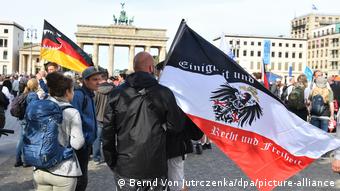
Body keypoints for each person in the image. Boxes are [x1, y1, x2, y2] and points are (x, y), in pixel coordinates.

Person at [102, 52, 184, 191]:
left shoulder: (116, 93)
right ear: (151, 68)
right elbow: (176, 126)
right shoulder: (164, 93)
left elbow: (108, 132)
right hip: (155, 164)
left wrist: (112, 161)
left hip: (126, 164)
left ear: (134, 67)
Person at [32, 72, 84, 191]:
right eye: (72, 90)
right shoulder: (72, 112)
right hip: (63, 169)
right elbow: (78, 144)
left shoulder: (40, 107)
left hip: (40, 167)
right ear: (67, 92)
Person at [71, 66, 102, 191]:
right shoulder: (79, 95)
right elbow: (73, 118)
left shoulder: (90, 94)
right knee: (81, 179)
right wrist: (81, 139)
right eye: (95, 79)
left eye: (99, 79)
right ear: (85, 81)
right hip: (81, 144)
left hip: (87, 143)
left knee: (82, 176)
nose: (99, 82)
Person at [14, 78, 39, 167]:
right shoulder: (33, 95)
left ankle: (18, 160)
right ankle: (25, 161)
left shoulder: (24, 93)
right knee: (26, 140)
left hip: (22, 119)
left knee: (21, 139)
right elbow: (34, 109)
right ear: (35, 85)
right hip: (28, 119)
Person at [92, 71, 115, 164]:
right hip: (110, 117)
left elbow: (93, 103)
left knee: (97, 138)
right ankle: (108, 157)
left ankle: (96, 157)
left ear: (100, 78)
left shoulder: (95, 90)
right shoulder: (114, 89)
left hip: (98, 116)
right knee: (109, 138)